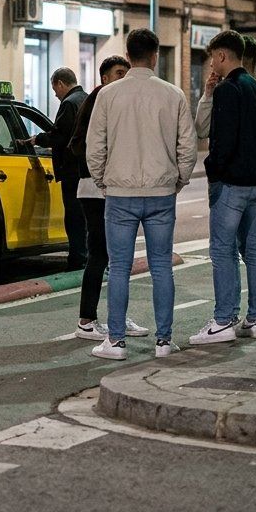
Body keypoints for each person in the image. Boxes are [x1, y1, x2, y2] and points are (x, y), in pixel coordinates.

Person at [86, 30, 196, 360]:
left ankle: (116, 342)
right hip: (162, 193)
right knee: (162, 266)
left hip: (119, 193)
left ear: (129, 55)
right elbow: (187, 148)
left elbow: (95, 146)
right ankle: (164, 342)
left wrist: (103, 181)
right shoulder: (173, 95)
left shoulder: (108, 95)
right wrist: (179, 180)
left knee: (119, 268)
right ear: (155, 55)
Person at [193, 36, 256, 335]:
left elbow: (221, 139)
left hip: (232, 184)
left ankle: (224, 320)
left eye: (212, 58)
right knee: (255, 249)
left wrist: (213, 170)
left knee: (222, 251)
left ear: (222, 55)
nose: (211, 64)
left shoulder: (229, 90)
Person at [65, 55, 144, 341]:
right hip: (95, 190)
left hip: (112, 188)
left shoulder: (116, 101)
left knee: (116, 256)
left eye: (127, 72)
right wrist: (102, 173)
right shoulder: (98, 100)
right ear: (105, 78)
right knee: (99, 253)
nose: (124, 78)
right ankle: (86, 320)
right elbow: (79, 144)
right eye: (119, 73)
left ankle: (116, 318)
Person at [24, 68, 88, 271]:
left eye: (55, 89)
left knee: (74, 216)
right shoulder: (85, 99)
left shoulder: (69, 103)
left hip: (71, 168)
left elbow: (60, 135)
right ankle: (84, 255)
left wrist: (38, 139)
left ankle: (77, 258)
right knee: (84, 216)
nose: (55, 94)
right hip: (85, 168)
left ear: (61, 83)